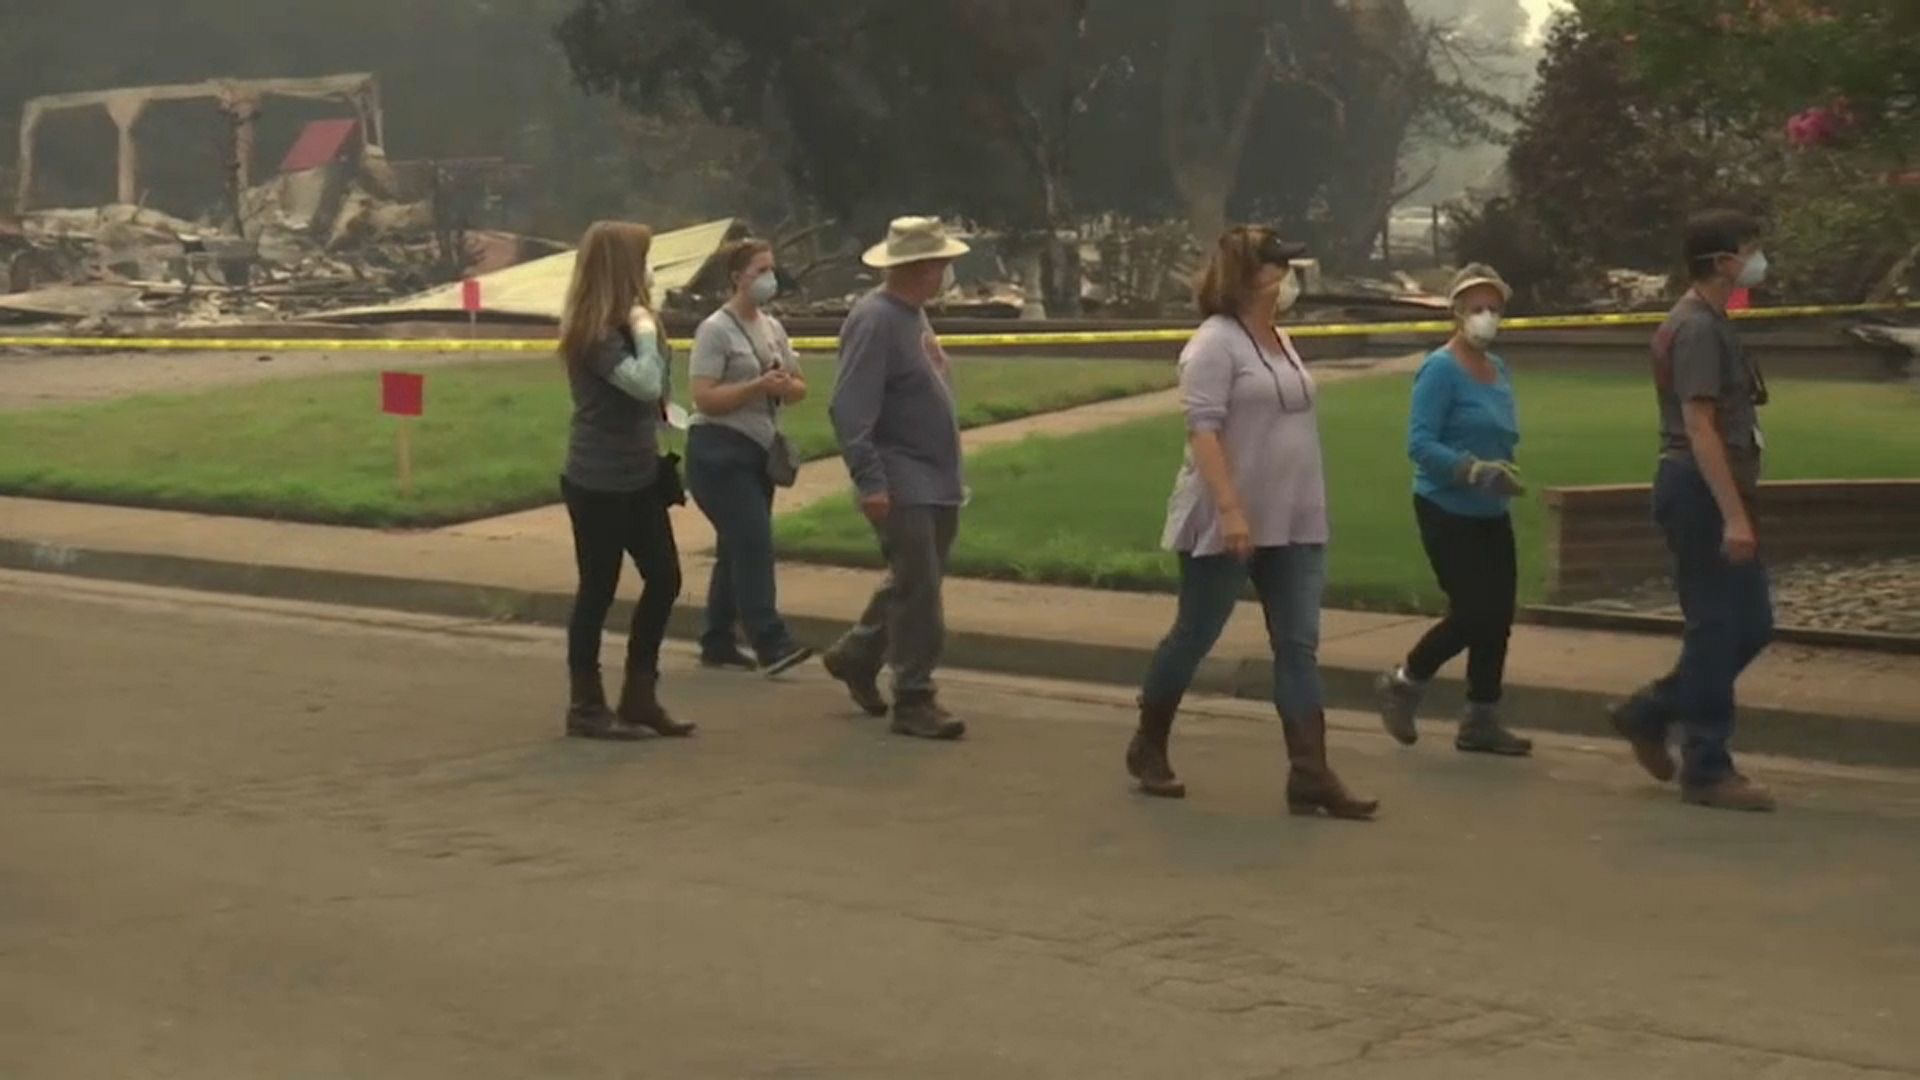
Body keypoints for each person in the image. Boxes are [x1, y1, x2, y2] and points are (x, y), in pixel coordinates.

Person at [1127, 225, 1377, 820]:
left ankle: (1310, 773)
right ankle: (1149, 742)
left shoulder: (1279, 339)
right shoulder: (1215, 344)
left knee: (1298, 645)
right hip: (1229, 518)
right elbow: (1204, 428)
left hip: (1294, 518)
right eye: (1278, 267)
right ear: (1251, 273)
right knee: (1196, 632)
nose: (1288, 277)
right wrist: (1232, 509)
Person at [1609, 210, 1777, 812]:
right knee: (1716, 625)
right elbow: (1699, 425)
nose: (1756, 260)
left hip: (1718, 487)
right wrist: (1733, 514)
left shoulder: (1710, 321)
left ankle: (1652, 711)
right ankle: (1707, 765)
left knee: (1751, 622)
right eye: (1748, 250)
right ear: (1722, 261)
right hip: (1701, 489)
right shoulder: (1697, 328)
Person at [1374, 264, 1534, 757]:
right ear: (1457, 313)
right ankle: (1405, 682)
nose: (1487, 317)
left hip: (1491, 509)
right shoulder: (1440, 369)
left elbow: (1501, 431)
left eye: (1494, 308)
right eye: (1477, 308)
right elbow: (1420, 443)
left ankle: (1481, 717)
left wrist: (1502, 471)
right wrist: (1470, 470)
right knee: (1473, 613)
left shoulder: (1498, 370)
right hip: (1447, 508)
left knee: (1497, 616)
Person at [821, 216, 970, 741]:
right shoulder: (876, 320)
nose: (948, 271)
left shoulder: (913, 316)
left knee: (913, 580)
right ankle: (914, 694)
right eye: (942, 263)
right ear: (921, 267)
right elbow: (849, 407)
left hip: (937, 475)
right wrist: (870, 479)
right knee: (920, 589)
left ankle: (858, 653)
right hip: (902, 474)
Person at [556, 220, 695, 741]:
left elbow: (659, 387)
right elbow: (641, 384)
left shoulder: (632, 324)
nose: (650, 271)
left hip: (639, 474)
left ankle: (640, 694)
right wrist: (642, 328)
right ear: (622, 267)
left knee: (664, 578)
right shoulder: (594, 332)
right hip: (597, 478)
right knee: (598, 589)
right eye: (643, 259)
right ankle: (585, 705)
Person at [685, 238, 815, 677]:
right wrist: (755, 387)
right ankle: (770, 640)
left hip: (759, 451)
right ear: (737, 277)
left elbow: (799, 386)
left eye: (771, 270)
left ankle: (717, 639)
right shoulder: (715, 330)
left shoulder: (773, 328)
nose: (768, 279)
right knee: (754, 543)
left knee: (735, 547)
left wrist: (783, 386)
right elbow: (704, 398)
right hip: (718, 452)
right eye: (760, 271)